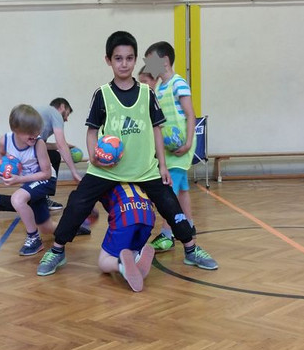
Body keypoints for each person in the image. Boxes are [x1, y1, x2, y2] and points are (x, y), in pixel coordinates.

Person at [36, 30, 218, 276]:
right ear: (108, 60)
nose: (124, 64)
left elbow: (156, 129)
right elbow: (92, 131)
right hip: (107, 170)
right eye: (118, 58)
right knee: (78, 203)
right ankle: (57, 250)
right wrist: (94, 156)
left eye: (129, 58)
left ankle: (191, 248)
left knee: (170, 204)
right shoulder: (102, 94)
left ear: (135, 59)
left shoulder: (147, 93)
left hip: (144, 168)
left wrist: (162, 166)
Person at [0, 98, 81, 216]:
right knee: (26, 202)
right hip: (33, 174)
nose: (66, 119)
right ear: (62, 107)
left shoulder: (32, 133)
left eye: (38, 131)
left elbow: (42, 145)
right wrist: (74, 172)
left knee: (27, 201)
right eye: (67, 114)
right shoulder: (55, 114)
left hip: (38, 173)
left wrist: (61, 146)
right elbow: (60, 145)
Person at [144, 41, 198, 252]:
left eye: (151, 61)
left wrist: (188, 143)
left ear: (164, 61)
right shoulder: (159, 87)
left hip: (181, 147)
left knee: (170, 192)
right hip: (168, 149)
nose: (148, 65)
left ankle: (167, 234)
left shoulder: (178, 83)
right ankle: (189, 225)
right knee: (182, 189)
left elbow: (191, 114)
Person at [0, 104, 56, 256]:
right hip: (30, 182)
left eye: (37, 131)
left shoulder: (39, 144)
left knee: (17, 199)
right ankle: (71, 228)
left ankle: (34, 238)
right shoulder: (5, 140)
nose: (35, 135)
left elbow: (46, 173)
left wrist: (19, 179)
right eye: (30, 133)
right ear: (15, 130)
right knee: (46, 227)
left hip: (46, 180)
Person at [96, 183, 156, 292]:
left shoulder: (100, 179)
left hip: (125, 216)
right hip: (148, 216)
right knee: (130, 249)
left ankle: (121, 265)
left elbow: (89, 208)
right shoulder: (136, 176)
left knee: (103, 261)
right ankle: (136, 257)